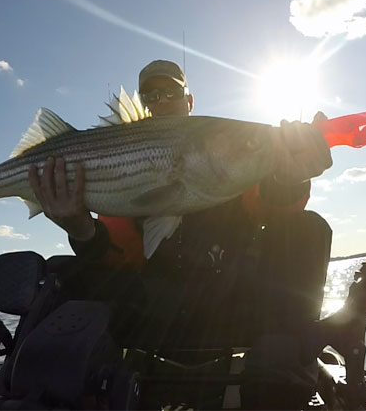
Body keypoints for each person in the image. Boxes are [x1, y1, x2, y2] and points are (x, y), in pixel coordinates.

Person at [27, 60, 333, 408]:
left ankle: (283, 371)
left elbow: (275, 206)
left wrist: (288, 178)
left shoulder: (229, 160)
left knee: (309, 228)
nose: (161, 101)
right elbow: (117, 256)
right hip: (158, 313)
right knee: (61, 271)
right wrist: (81, 230)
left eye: (171, 92)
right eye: (151, 96)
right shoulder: (127, 159)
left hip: (232, 306)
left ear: (189, 101)